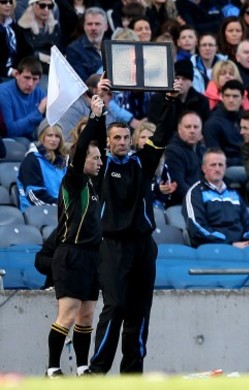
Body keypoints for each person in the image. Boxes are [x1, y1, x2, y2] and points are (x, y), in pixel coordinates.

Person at [89, 79, 179, 375]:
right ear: (108, 142)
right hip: (113, 246)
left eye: (126, 137)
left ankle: (132, 373)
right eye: (117, 138)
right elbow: (90, 138)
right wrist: (99, 107)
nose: (123, 142)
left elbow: (163, 133)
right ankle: (97, 370)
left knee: (139, 313)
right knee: (114, 308)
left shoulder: (143, 162)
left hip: (142, 246)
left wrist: (170, 100)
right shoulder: (101, 167)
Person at [46, 88, 107, 378]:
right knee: (68, 313)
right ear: (81, 161)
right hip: (71, 253)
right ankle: (52, 367)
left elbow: (102, 147)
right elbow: (82, 147)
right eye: (94, 158)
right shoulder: (73, 181)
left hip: (92, 257)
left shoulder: (95, 186)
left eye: (99, 158)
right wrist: (92, 117)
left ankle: (83, 366)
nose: (99, 162)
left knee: (86, 316)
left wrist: (102, 115)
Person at [184, 148, 249, 248]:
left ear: (225, 167)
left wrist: (247, 240)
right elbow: (196, 227)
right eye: (213, 165)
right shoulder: (195, 192)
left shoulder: (234, 192)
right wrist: (229, 244)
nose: (217, 169)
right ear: (203, 168)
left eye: (221, 165)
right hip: (213, 249)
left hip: (243, 246)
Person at [17, 122, 67, 211]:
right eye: (50, 135)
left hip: (60, 208)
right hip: (37, 211)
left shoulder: (62, 161)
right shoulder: (31, 160)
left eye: (57, 136)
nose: (54, 139)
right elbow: (34, 195)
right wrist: (60, 205)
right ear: (41, 137)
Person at [0, 56, 46, 140]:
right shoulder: (3, 92)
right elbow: (10, 131)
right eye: (27, 77)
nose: (30, 84)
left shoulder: (40, 93)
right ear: (17, 75)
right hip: (11, 139)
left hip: (32, 137)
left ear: (39, 80)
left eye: (35, 79)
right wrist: (38, 112)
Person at [66, 7, 107, 83]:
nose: (93, 28)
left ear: (105, 27)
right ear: (84, 27)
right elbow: (81, 83)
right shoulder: (74, 49)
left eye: (97, 24)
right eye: (89, 24)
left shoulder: (112, 47)